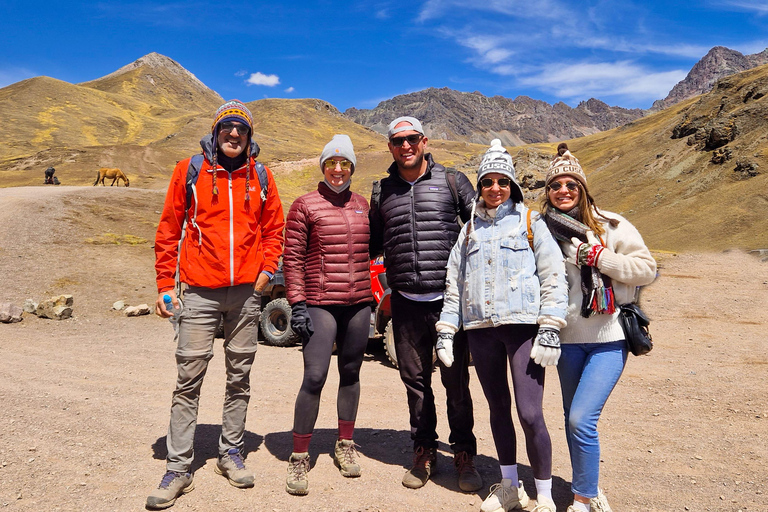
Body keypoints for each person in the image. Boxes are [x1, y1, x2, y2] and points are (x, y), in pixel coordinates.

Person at [148, 100, 285, 510]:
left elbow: (273, 227)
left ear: (249, 136)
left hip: (246, 293)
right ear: (216, 130)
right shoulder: (189, 170)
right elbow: (169, 229)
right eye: (227, 127)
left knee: (239, 376)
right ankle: (178, 467)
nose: (234, 134)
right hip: (198, 291)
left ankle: (231, 452)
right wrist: (163, 284)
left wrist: (267, 269)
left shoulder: (260, 175)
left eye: (241, 129)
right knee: (189, 377)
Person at [438, 140, 568, 512]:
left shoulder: (532, 222)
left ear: (513, 185)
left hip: (522, 330)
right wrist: (447, 330)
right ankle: (510, 486)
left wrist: (549, 327)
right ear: (479, 186)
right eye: (488, 181)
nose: (495, 188)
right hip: (480, 331)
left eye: (503, 181)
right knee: (498, 409)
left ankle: (543, 494)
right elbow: (454, 284)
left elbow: (553, 276)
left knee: (530, 414)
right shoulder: (468, 233)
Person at [541, 143, 656, 512]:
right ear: (547, 192)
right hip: (566, 340)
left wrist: (601, 258)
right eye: (555, 185)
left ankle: (583, 499)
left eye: (570, 185)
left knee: (580, 418)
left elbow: (646, 269)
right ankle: (586, 488)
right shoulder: (540, 232)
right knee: (572, 420)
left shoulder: (611, 225)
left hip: (609, 338)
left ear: (583, 189)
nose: (563, 191)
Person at [369, 116, 482, 492]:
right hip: (404, 303)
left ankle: (464, 454)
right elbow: (369, 244)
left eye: (412, 139)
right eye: (398, 140)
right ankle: (424, 451)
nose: (406, 146)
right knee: (415, 383)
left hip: (450, 304)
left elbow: (483, 229)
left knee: (457, 382)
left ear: (424, 141)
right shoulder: (382, 192)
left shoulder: (453, 181)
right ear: (390, 146)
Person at [281, 134, 373, 496]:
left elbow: (374, 246)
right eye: (332, 163)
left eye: (345, 163)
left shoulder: (363, 205)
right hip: (320, 302)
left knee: (351, 372)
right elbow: (292, 258)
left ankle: (345, 444)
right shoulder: (305, 205)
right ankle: (299, 455)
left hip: (359, 302)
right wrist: (298, 303)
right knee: (315, 375)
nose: (338, 169)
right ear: (323, 166)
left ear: (352, 167)